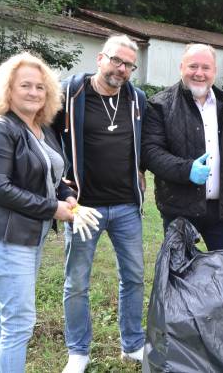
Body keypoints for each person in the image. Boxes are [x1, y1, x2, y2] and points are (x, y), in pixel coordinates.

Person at [141, 43, 223, 364]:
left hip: (222, 211)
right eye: (193, 66)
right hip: (180, 210)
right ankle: (180, 342)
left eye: (205, 67)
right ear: (181, 67)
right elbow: (151, 153)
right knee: (178, 279)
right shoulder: (160, 105)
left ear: (214, 71)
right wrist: (186, 171)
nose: (199, 72)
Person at [0, 52, 76, 372]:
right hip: (5, 236)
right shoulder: (0, 129)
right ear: (8, 90)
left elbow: (52, 174)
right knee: (20, 319)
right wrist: (52, 208)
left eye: (40, 87)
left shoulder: (42, 128)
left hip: (30, 233)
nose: (33, 92)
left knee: (10, 313)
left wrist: (67, 194)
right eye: (25, 86)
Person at [53, 35, 147, 373]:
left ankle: (133, 344)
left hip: (125, 207)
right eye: (116, 61)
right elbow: (48, 144)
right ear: (100, 58)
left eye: (128, 65)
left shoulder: (137, 99)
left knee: (134, 277)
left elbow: (145, 146)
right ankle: (78, 352)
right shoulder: (69, 95)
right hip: (83, 208)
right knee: (77, 282)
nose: (121, 69)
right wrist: (63, 190)